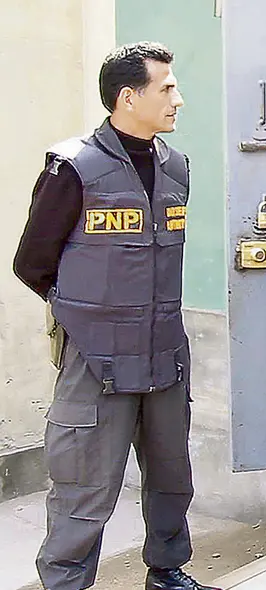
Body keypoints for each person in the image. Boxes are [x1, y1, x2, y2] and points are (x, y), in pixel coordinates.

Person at [12, 43, 218, 590]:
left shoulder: (177, 167)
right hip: (97, 361)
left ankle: (168, 571)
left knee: (172, 477)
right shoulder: (74, 167)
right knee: (84, 487)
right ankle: (65, 582)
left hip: (165, 355)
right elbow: (32, 263)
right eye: (167, 88)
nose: (179, 98)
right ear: (129, 98)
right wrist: (88, 317)